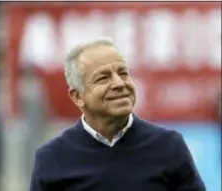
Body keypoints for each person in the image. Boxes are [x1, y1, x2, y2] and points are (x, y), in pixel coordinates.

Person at [30, 37, 206, 191]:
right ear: (78, 97)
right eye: (103, 78)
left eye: (123, 73)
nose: (119, 83)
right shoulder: (52, 157)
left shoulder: (168, 146)